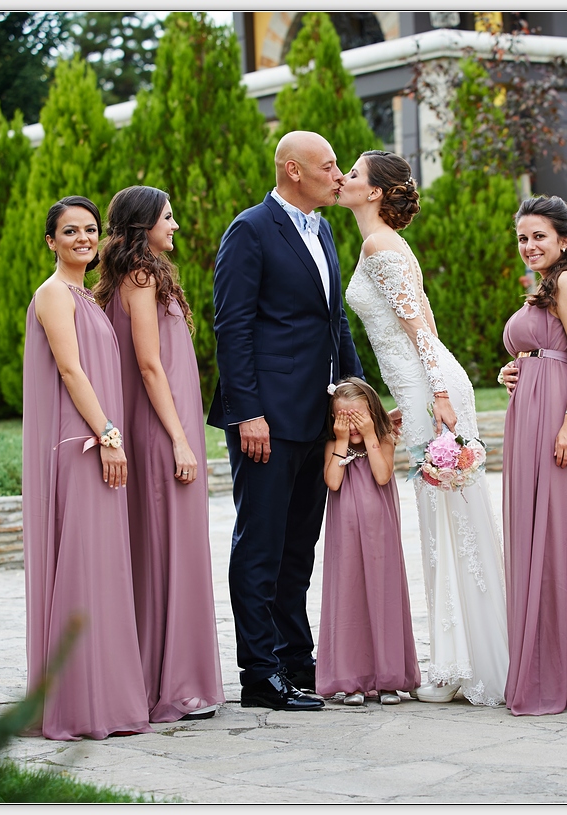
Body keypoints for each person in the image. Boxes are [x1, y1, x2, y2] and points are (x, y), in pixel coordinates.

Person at [339, 150, 508, 706]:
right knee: (443, 522)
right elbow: (424, 322)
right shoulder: (379, 243)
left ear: (374, 192)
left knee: (447, 521)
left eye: (353, 174)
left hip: (431, 393)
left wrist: (438, 396)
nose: (343, 179)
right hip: (421, 390)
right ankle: (460, 659)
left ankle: (467, 664)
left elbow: (420, 329)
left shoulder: (379, 246)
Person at [208, 131, 365, 712]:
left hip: (316, 414)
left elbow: (334, 322)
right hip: (266, 419)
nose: (339, 176)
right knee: (261, 546)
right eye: (330, 166)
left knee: (299, 547)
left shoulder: (323, 230)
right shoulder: (250, 229)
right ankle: (259, 674)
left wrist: (356, 394)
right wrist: (247, 411)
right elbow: (232, 326)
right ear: (293, 170)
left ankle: (297, 659)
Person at [21, 196, 151, 740]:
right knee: (83, 568)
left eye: (90, 229)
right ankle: (79, 705)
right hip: (81, 446)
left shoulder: (86, 295)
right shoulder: (53, 293)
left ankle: (106, 699)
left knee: (103, 570)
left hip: (98, 441)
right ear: (50, 241)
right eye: (70, 231)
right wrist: (109, 436)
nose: (83, 238)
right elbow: (72, 372)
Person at [96, 186, 225, 723]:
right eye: (167, 217)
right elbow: (149, 366)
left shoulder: (129, 277)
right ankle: (172, 684)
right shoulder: (140, 278)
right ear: (142, 224)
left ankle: (161, 676)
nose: (175, 225)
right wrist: (178, 438)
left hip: (161, 426)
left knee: (162, 550)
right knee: (170, 550)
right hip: (159, 431)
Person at [496, 196, 567, 716]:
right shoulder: (542, 287)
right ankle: (540, 662)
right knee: (534, 534)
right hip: (529, 417)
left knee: (562, 538)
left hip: (560, 419)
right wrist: (513, 369)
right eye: (522, 238)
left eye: (538, 236)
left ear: (563, 239)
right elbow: (546, 351)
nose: (529, 245)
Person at [317, 378, 420, 707]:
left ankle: (388, 679)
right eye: (343, 418)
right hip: (345, 536)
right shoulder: (334, 445)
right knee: (349, 597)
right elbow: (333, 482)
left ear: (373, 413)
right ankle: (352, 681)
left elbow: (382, 475)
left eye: (358, 417)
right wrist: (341, 439)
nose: (352, 425)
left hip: (380, 534)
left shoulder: (384, 440)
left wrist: (372, 434)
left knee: (383, 593)